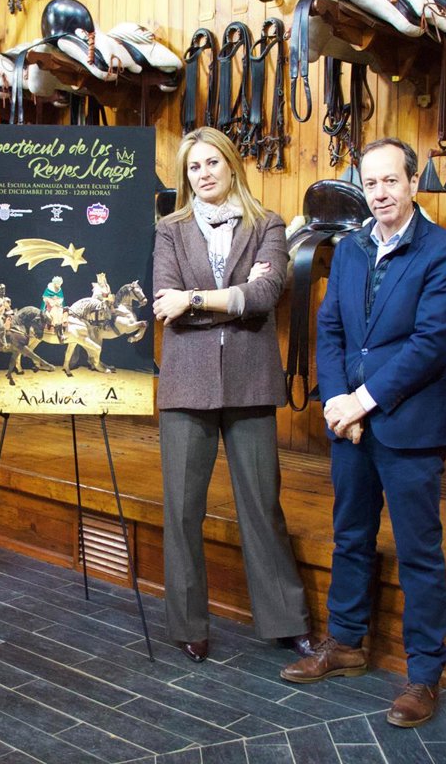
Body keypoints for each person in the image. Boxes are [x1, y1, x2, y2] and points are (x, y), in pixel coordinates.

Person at [279, 138, 446, 729]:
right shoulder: (351, 248)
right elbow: (331, 328)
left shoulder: (445, 251)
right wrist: (337, 400)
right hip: (350, 423)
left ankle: (424, 674)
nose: (381, 193)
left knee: (418, 552)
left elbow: (430, 344)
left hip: (409, 426)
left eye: (391, 181)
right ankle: (345, 644)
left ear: (412, 182)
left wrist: (361, 402)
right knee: (351, 536)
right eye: (372, 183)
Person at [151, 126, 312, 663]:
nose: (204, 173)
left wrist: (195, 300)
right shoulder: (170, 229)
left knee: (262, 506)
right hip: (186, 383)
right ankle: (188, 624)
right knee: (182, 509)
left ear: (231, 164)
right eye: (194, 166)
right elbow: (165, 301)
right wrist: (232, 298)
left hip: (250, 379)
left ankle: (286, 620)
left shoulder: (268, 224)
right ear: (186, 175)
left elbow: (265, 294)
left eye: (212, 162)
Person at [42, 275, 66, 342]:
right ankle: (59, 333)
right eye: (58, 284)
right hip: (51, 307)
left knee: (64, 312)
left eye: (60, 284)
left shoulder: (59, 289)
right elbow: (45, 298)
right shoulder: (49, 289)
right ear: (55, 283)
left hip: (58, 306)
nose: (59, 285)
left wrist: (58, 302)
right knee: (56, 314)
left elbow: (61, 298)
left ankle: (64, 328)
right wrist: (53, 302)